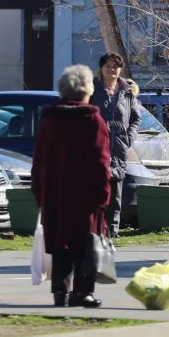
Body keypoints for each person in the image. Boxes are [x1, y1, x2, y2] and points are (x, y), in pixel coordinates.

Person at [31, 65, 111, 308]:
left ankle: (60, 290)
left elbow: (39, 159)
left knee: (60, 242)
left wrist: (39, 193)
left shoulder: (49, 120)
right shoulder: (93, 120)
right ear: (87, 91)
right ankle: (82, 292)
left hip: (54, 193)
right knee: (86, 243)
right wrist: (104, 195)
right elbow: (100, 161)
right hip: (85, 195)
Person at [89, 52, 141, 239]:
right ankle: (94, 231)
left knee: (115, 194)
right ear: (101, 69)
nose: (112, 70)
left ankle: (113, 231)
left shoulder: (127, 93)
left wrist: (128, 139)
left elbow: (136, 118)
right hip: (96, 150)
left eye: (115, 67)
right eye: (108, 66)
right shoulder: (92, 90)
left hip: (118, 149)